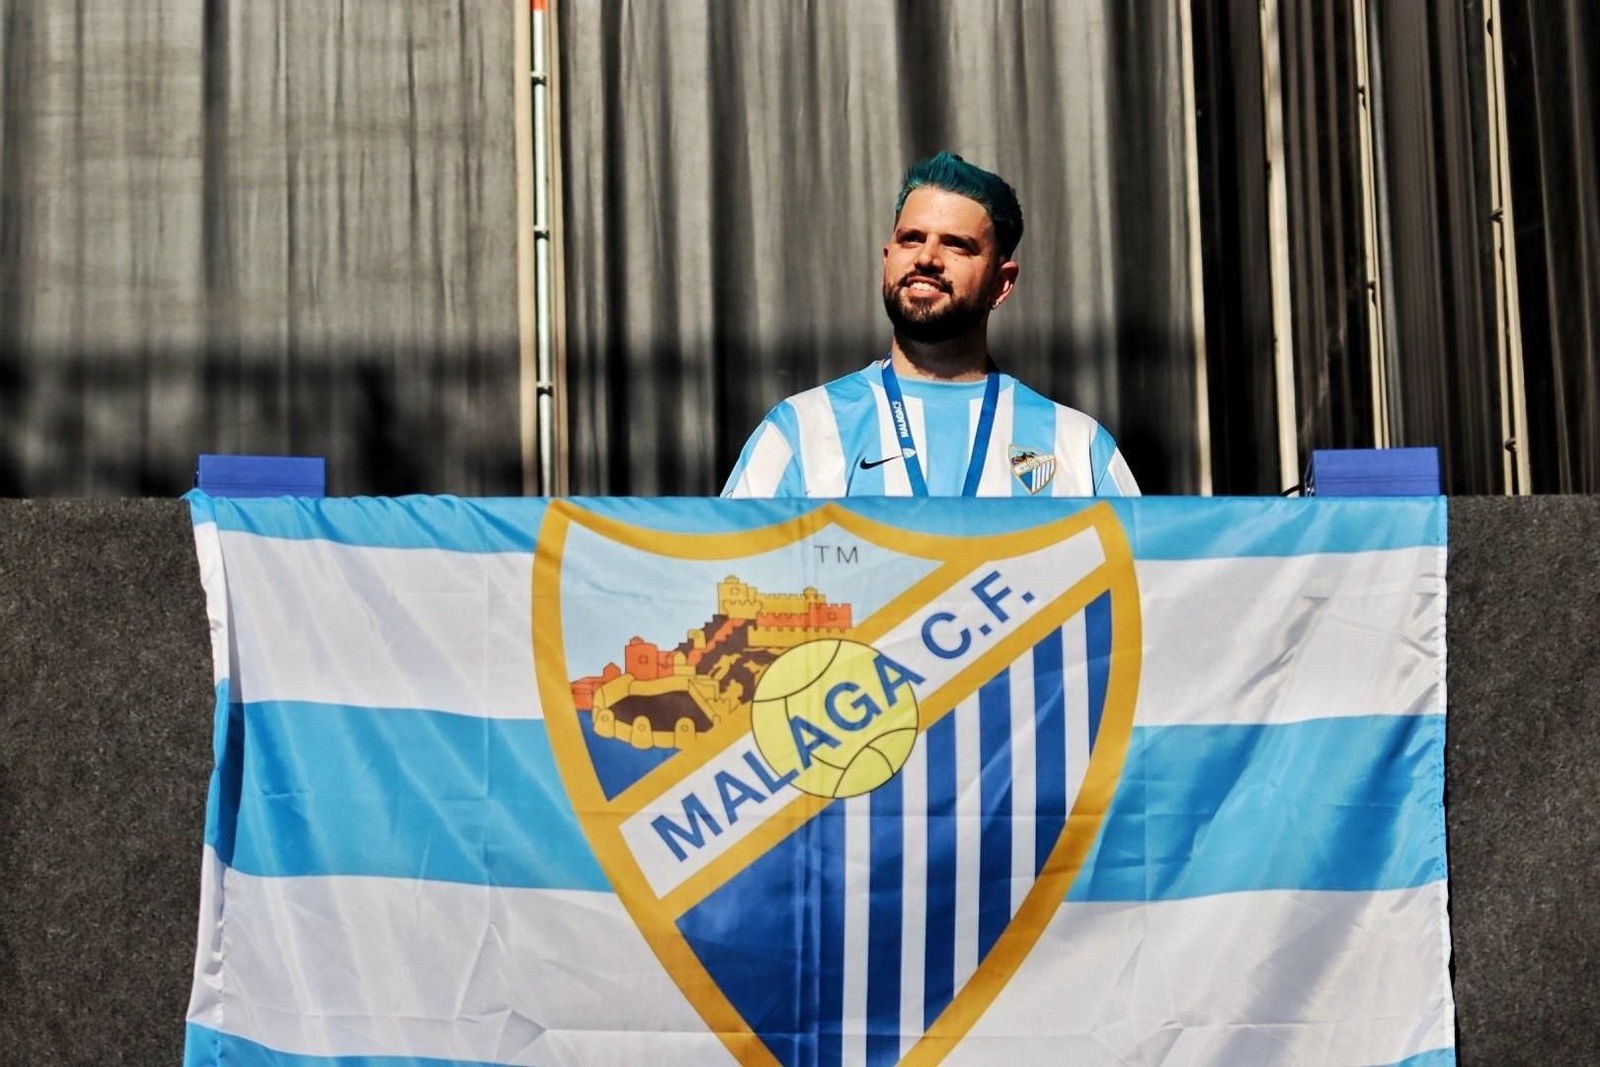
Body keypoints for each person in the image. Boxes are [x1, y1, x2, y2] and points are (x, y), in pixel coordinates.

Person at [721, 152, 1138, 499]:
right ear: (887, 260)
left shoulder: (1077, 446)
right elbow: (725, 566)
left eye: (956, 245)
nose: (926, 258)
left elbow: (1141, 571)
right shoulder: (800, 430)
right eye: (911, 239)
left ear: (1001, 283)